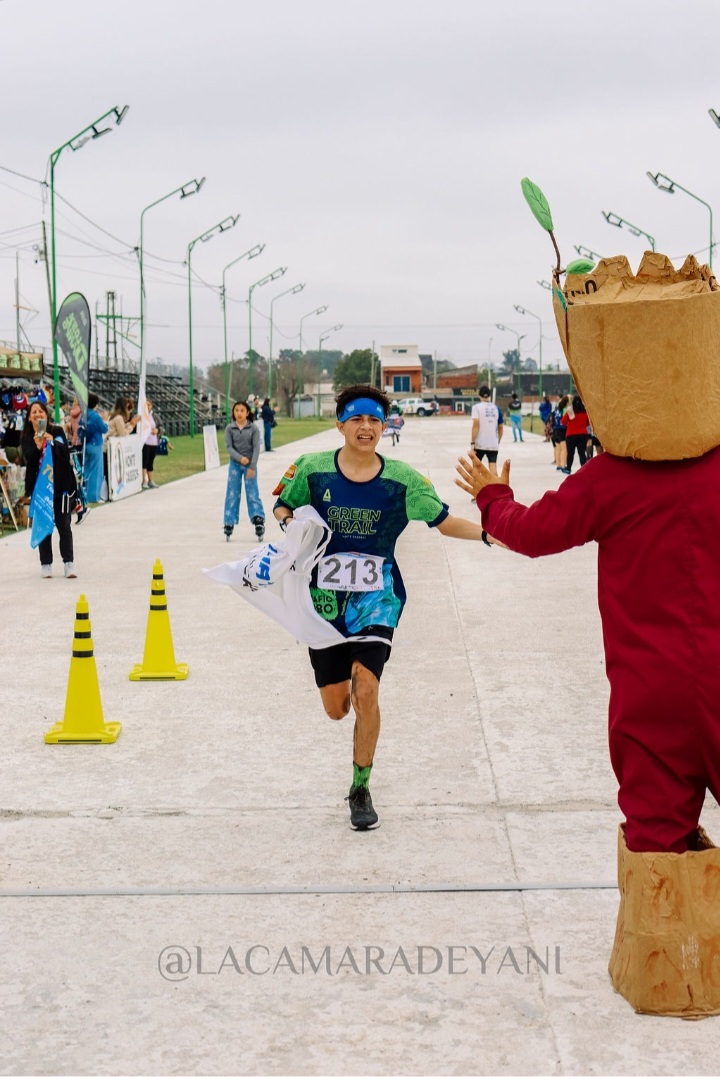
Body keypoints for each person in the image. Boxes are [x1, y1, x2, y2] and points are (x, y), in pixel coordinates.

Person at [272, 383, 486, 831]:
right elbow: (281, 505)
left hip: (377, 599)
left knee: (366, 689)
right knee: (337, 707)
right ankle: (346, 710)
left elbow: (444, 522)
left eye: (374, 420)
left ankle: (360, 786)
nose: (366, 427)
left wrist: (491, 532)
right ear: (341, 425)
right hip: (323, 604)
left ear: (385, 426)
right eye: (357, 419)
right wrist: (294, 523)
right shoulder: (311, 470)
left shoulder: (403, 480)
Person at [21, 400, 78, 578]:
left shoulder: (57, 431)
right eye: (34, 412)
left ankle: (68, 563)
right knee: (44, 525)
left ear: (46, 415)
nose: (38, 414)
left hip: (60, 488)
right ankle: (46, 564)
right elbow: (29, 460)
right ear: (29, 418)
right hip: (41, 490)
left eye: (41, 411)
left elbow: (64, 453)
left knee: (64, 525)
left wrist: (51, 441)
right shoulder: (26, 437)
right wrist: (37, 446)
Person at [223, 400, 265, 541]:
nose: (239, 413)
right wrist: (240, 458)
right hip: (235, 464)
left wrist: (252, 466)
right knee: (232, 492)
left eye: (242, 411)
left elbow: (256, 448)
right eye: (236, 411)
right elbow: (229, 447)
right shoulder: (230, 428)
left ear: (247, 413)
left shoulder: (253, 429)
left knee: (252, 492)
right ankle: (229, 521)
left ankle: (258, 519)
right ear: (233, 413)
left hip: (250, 464)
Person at [470, 385, 504, 477]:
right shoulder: (497, 408)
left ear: (479, 396)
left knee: (476, 468)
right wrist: (498, 441)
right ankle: (496, 489)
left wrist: (472, 443)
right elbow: (501, 427)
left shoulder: (476, 407)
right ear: (489, 396)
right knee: (493, 469)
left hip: (480, 443)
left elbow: (476, 425)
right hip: (493, 443)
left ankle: (478, 489)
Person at [81, 393, 108, 503]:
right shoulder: (96, 416)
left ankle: (85, 494)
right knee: (96, 472)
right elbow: (104, 429)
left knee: (87, 470)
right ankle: (94, 496)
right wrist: (105, 419)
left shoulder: (84, 414)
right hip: (95, 444)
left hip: (85, 444)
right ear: (96, 404)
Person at [561, 395, 590, 473]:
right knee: (582, 453)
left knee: (570, 453)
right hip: (583, 435)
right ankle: (584, 469)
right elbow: (588, 423)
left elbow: (563, 422)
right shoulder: (585, 412)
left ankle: (568, 468)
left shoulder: (570, 411)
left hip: (571, 435)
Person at [142, 399, 161, 489]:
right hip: (145, 442)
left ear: (151, 406)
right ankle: (144, 480)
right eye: (146, 405)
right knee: (144, 462)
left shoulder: (154, 416)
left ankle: (151, 480)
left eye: (149, 405)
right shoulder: (141, 415)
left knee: (151, 462)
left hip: (154, 442)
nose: (147, 407)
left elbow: (161, 426)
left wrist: (158, 430)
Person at [551, 394, 569, 471]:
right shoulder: (566, 410)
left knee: (558, 448)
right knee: (564, 449)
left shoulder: (556, 410)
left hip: (555, 430)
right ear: (567, 403)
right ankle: (563, 465)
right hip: (562, 430)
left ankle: (558, 465)